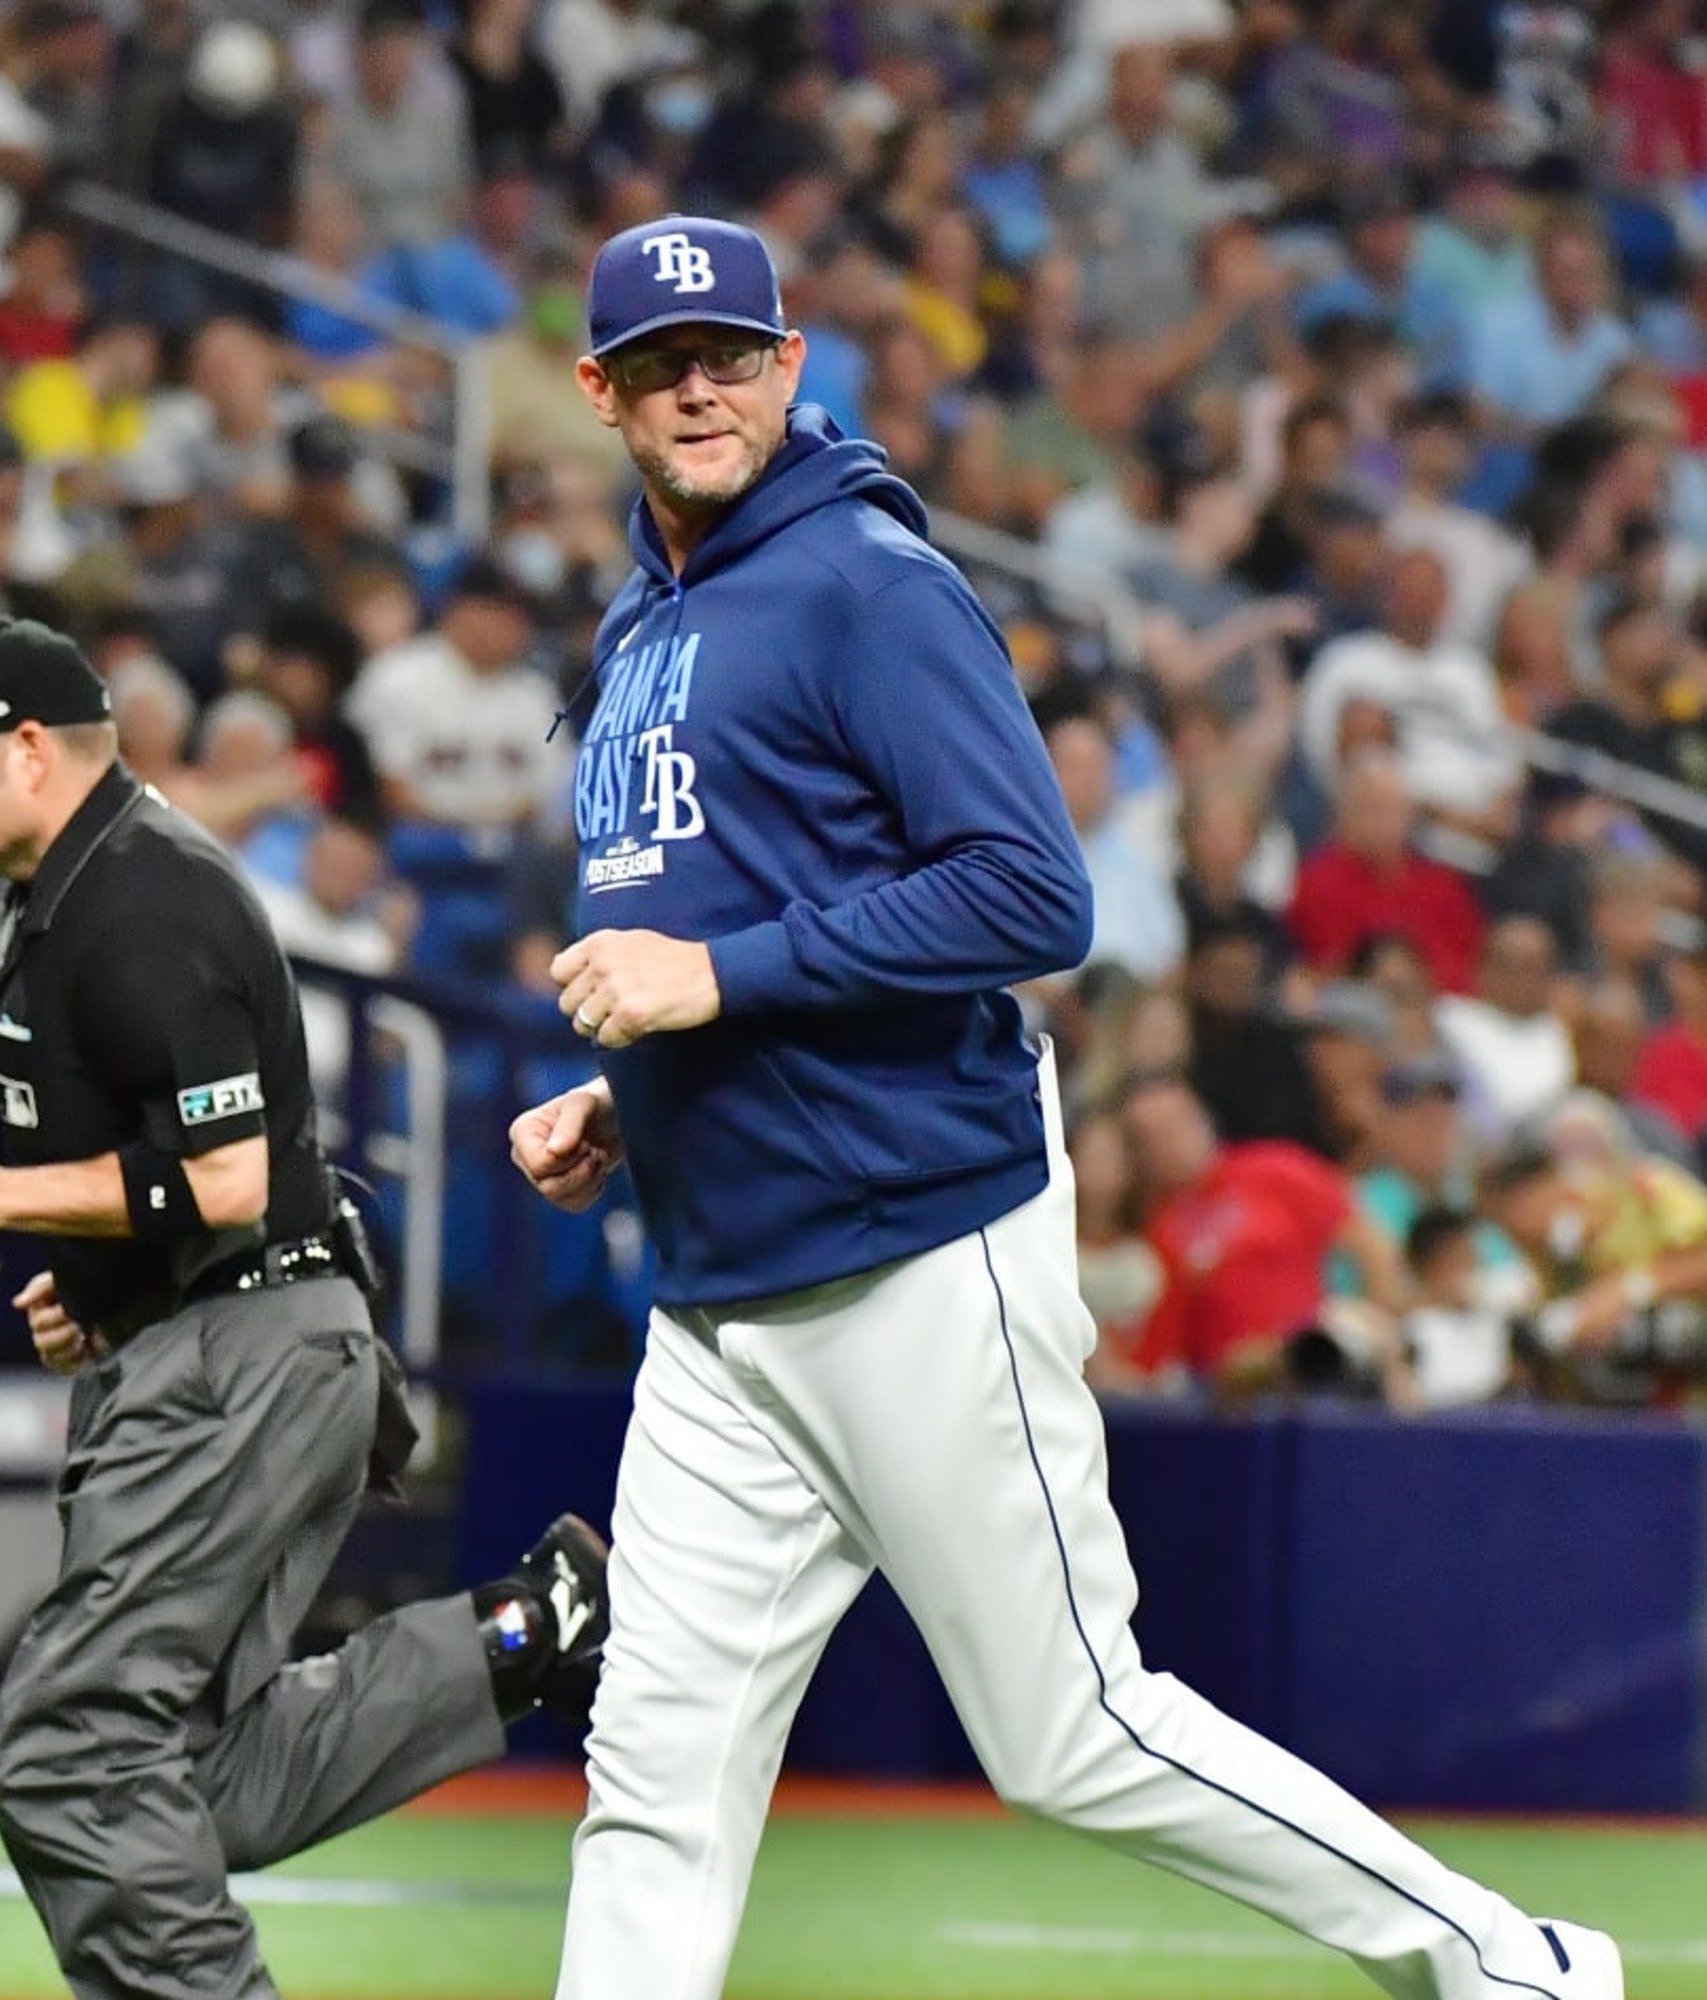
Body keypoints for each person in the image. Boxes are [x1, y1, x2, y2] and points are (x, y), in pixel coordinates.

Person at [504, 214, 1618, 2000]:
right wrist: (636, 1092)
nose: (697, 386)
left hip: (913, 1246)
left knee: (1073, 1728)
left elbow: (1034, 897)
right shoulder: (648, 621)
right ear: (600, 394)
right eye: (657, 364)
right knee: (652, 1772)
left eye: (730, 355)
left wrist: (707, 991)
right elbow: (749, 914)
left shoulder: (867, 583)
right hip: (722, 1292)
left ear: (791, 368)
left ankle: (1514, 1964)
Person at [0, 619, 609, 2000]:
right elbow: (177, 1187)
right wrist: (90, 1286)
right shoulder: (83, 893)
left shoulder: (143, 896)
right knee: (187, 1773)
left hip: (242, 1354)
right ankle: (523, 1635)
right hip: (227, 1343)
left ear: (30, 747)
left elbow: (226, 1176)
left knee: (75, 1750)